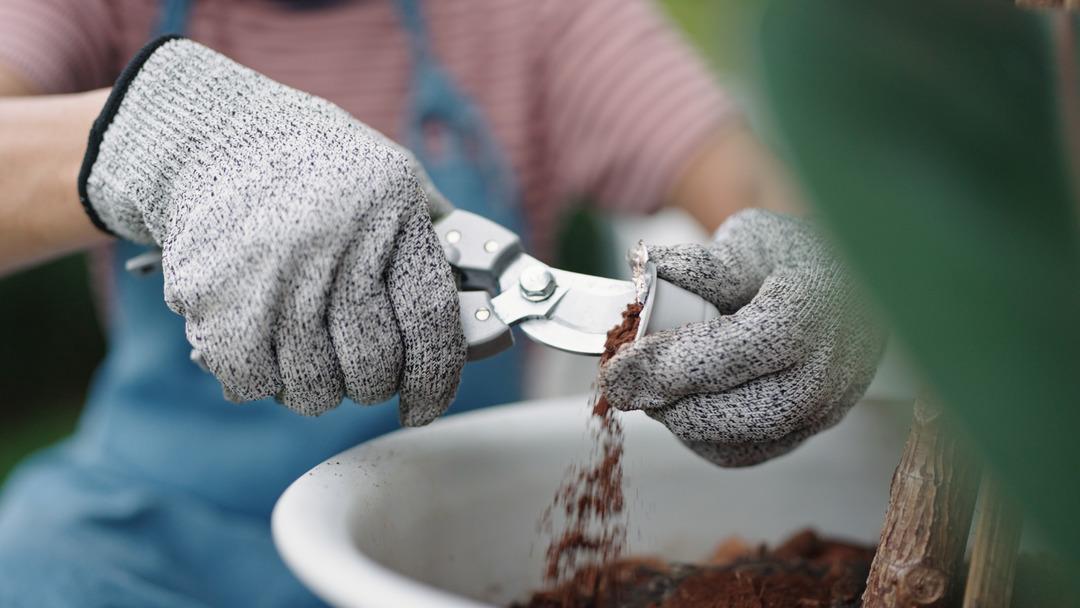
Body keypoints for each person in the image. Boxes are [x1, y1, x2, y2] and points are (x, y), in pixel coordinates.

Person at [0, 0, 882, 605]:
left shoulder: (536, 17)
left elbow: (767, 185)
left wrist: (835, 274)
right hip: (141, 542)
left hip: (434, 534)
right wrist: (152, 134)